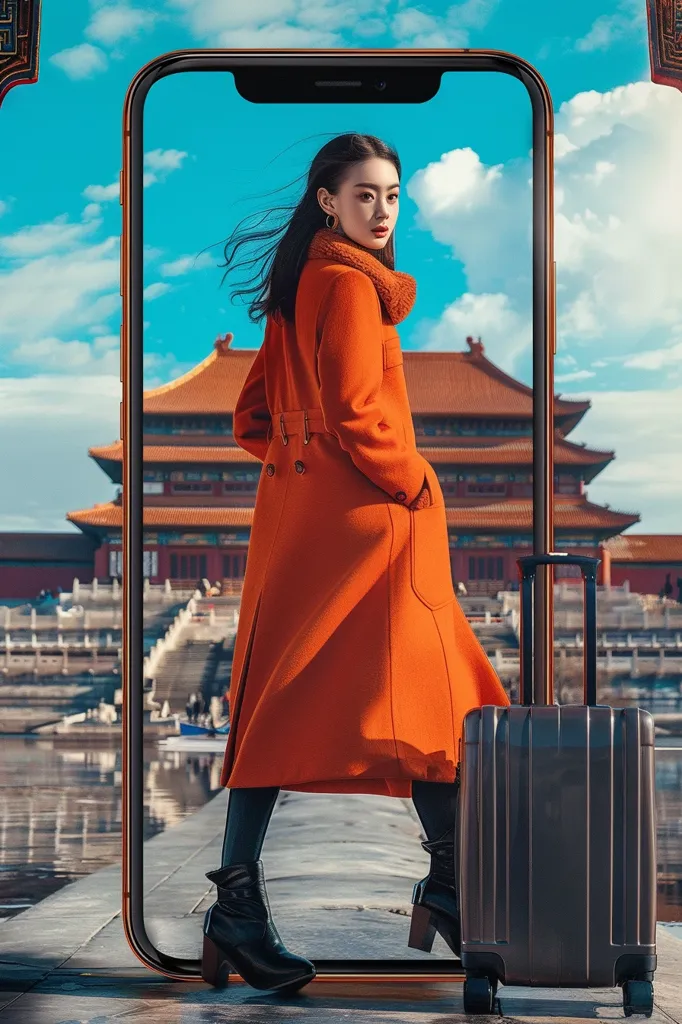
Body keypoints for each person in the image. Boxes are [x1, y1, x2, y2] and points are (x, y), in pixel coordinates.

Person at [201, 133, 510, 994]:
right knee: (433, 706)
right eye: (364, 194)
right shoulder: (348, 284)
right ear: (327, 202)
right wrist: (413, 480)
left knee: (282, 705)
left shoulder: (296, 285)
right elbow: (356, 409)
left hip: (305, 525)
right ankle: (449, 887)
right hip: (374, 524)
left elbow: (252, 418)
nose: (381, 211)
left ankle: (239, 909)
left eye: (393, 195)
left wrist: (303, 469)